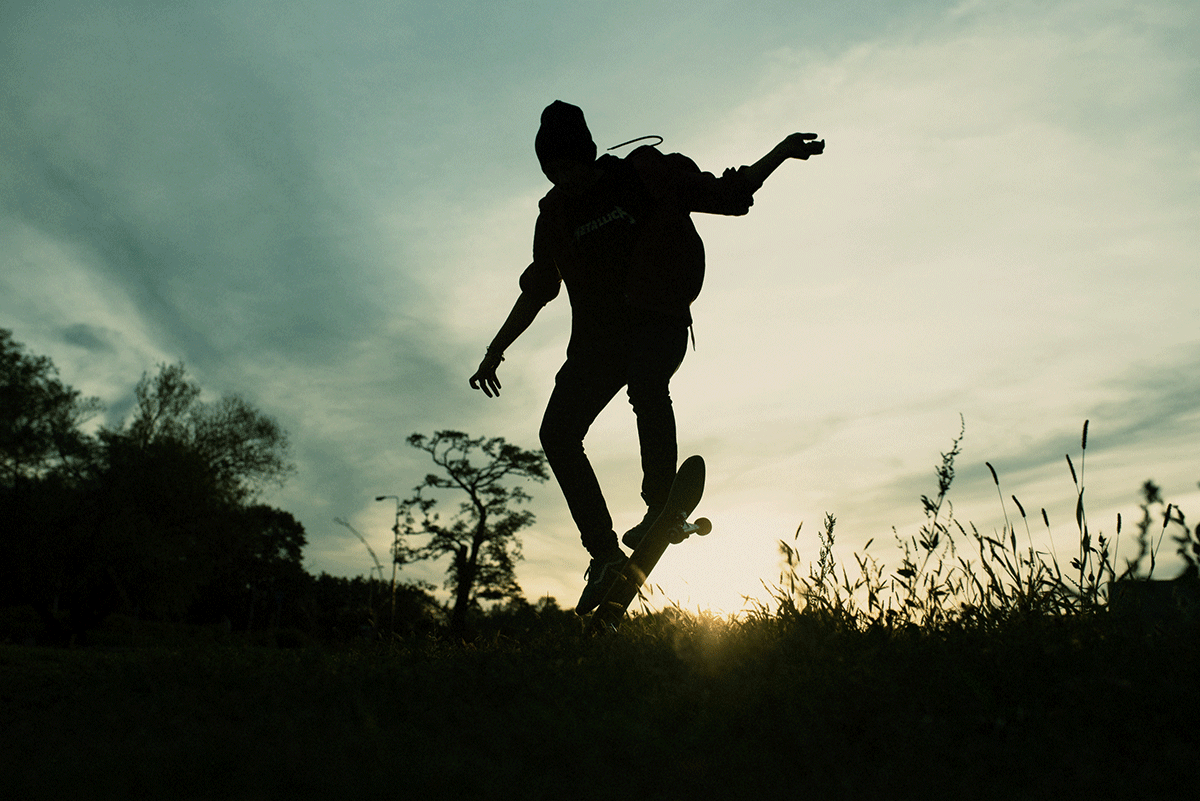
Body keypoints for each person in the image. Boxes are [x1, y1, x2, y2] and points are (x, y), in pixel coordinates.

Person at [470, 100, 824, 614]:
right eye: (552, 171)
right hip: (598, 345)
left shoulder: (643, 175)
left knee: (646, 384)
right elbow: (538, 288)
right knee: (557, 433)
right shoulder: (554, 217)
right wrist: (495, 351)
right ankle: (605, 555)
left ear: (589, 155)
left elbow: (729, 193)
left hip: (657, 323)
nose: (563, 180)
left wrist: (780, 154)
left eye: (569, 167)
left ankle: (660, 503)